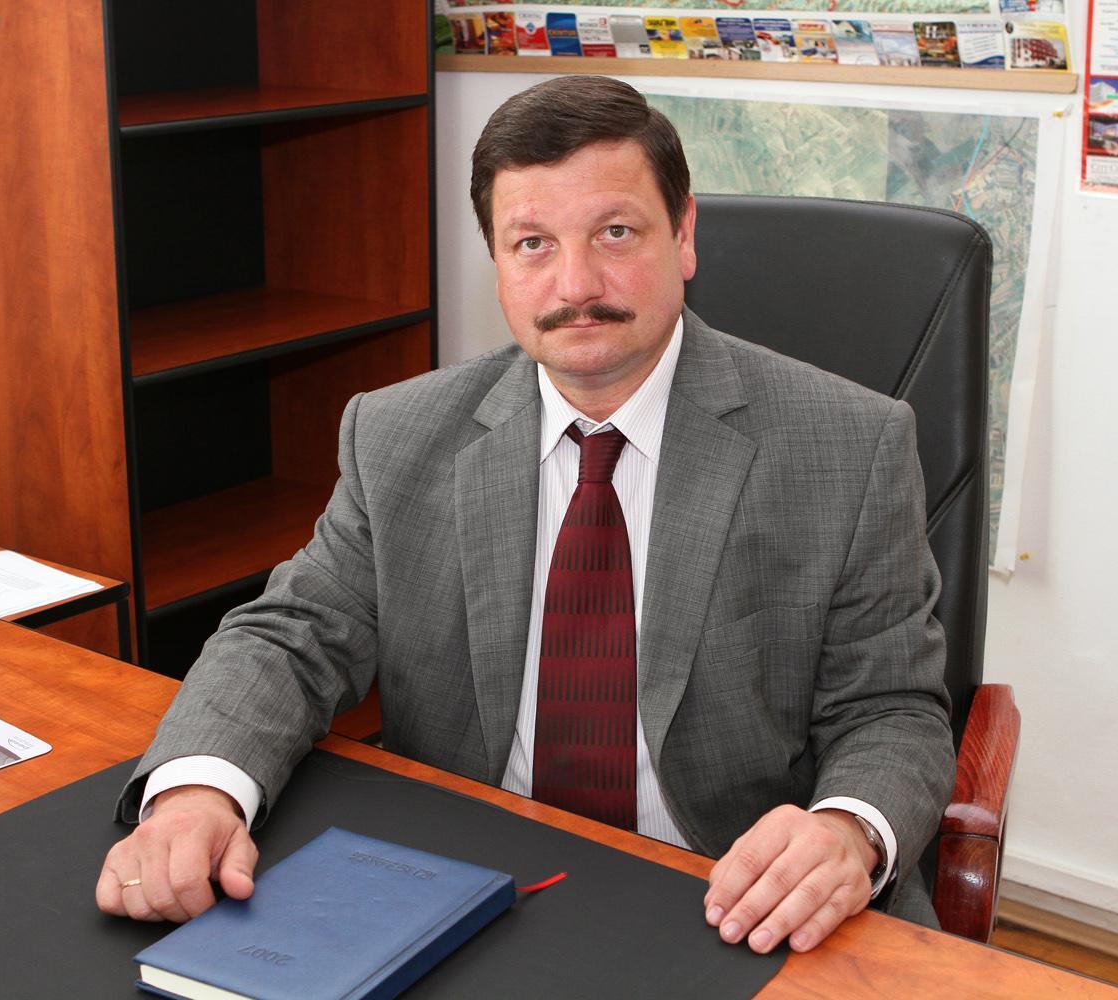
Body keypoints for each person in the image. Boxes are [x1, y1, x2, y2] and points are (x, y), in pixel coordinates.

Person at [96, 75, 954, 956]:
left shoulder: (850, 445)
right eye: (533, 243)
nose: (576, 284)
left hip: (732, 897)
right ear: (497, 262)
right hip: (468, 886)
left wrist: (847, 829)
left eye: (615, 233)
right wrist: (197, 793)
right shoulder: (397, 435)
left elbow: (892, 707)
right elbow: (293, 636)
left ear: (684, 234)